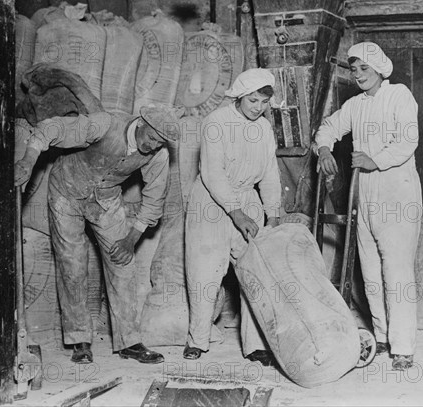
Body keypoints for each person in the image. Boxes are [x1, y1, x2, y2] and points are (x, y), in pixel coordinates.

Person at [14, 105, 183, 364]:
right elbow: (53, 127)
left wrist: (130, 239)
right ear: (140, 123)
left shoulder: (157, 154)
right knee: (72, 263)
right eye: (150, 137)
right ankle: (80, 340)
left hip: (105, 199)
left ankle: (130, 342)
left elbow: (153, 201)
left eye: (159, 142)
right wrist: (28, 160)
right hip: (66, 191)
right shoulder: (106, 124)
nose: (152, 145)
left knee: (123, 263)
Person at [314, 42, 422, 371]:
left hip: (397, 191)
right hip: (364, 194)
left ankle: (403, 347)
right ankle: (384, 335)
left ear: (379, 68)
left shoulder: (398, 94)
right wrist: (324, 150)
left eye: (364, 68)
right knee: (371, 271)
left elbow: (408, 139)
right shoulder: (355, 105)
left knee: (397, 270)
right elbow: (329, 127)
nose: (359, 75)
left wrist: (375, 160)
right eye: (354, 69)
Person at [183, 68, 281, 366]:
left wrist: (273, 213)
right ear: (239, 96)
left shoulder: (263, 128)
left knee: (253, 271)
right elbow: (213, 173)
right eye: (253, 101)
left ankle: (255, 344)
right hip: (211, 201)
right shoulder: (216, 122)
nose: (258, 107)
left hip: (247, 196)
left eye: (263, 102)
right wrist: (235, 213)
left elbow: (269, 173)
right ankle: (198, 339)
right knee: (204, 270)